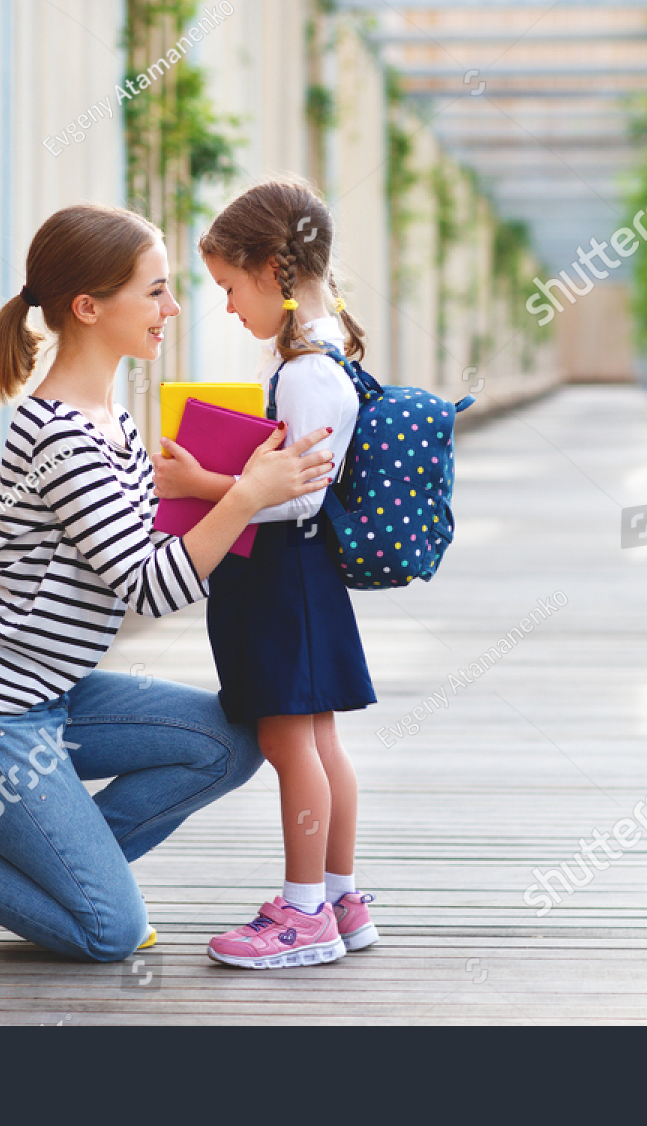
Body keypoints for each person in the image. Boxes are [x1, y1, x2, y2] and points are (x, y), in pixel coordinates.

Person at [0, 203, 336, 962]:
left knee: (230, 741)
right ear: (88, 307)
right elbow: (149, 586)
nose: (174, 307)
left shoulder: (112, 421)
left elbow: (141, 542)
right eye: (154, 291)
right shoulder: (61, 435)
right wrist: (248, 495)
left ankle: (67, 882)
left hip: (52, 697)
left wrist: (218, 485)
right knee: (107, 933)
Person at [151, 178, 379, 968]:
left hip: (281, 577)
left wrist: (197, 486)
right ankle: (339, 897)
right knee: (318, 743)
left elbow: (291, 496)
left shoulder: (304, 371)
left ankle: (305, 912)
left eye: (228, 286)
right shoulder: (322, 359)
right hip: (302, 577)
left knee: (292, 748)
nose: (224, 306)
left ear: (273, 269)